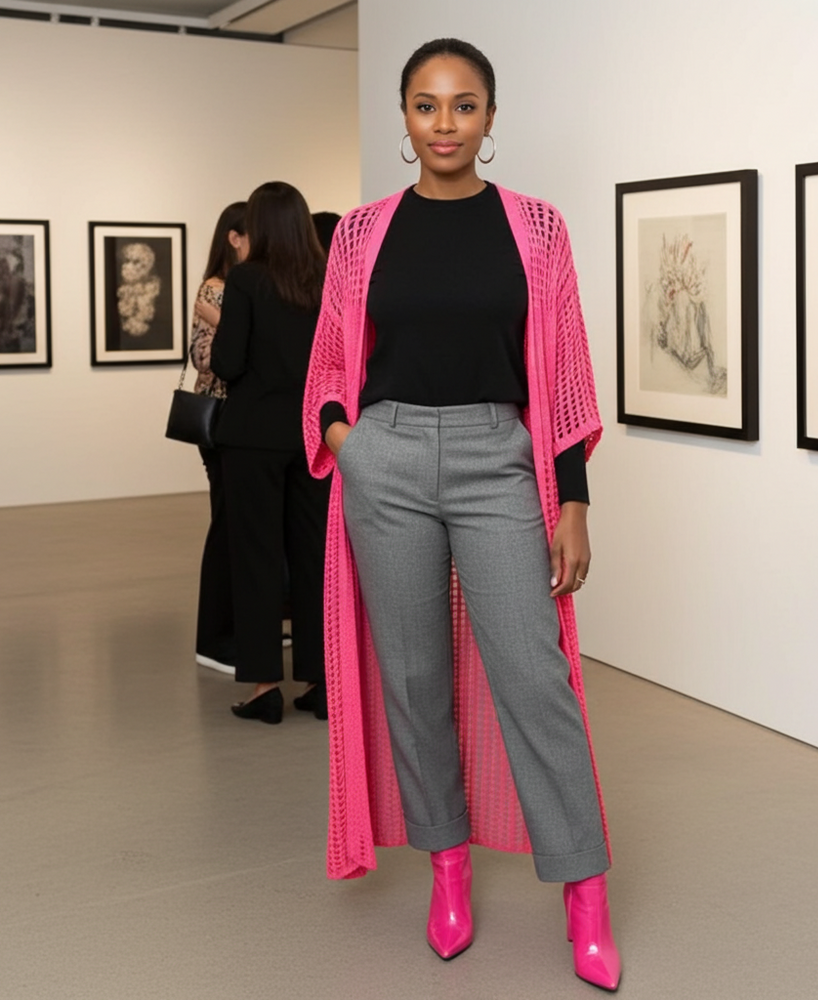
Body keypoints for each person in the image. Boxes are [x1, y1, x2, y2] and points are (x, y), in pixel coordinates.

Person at [303, 38, 620, 991]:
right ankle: (447, 871)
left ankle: (586, 895)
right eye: (427, 106)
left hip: (499, 459)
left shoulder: (538, 228)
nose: (445, 123)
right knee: (412, 676)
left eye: (464, 105)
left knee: (535, 675)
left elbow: (559, 370)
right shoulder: (359, 234)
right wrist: (347, 439)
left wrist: (570, 499)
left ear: (490, 116)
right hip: (387, 460)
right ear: (403, 118)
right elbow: (329, 360)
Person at [212, 182, 331, 724]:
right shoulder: (324, 279)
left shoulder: (247, 279)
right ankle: (318, 681)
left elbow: (228, 362)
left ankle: (264, 687)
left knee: (256, 558)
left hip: (252, 437)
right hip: (312, 437)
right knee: (313, 558)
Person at [190, 201, 248, 676]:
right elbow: (205, 358)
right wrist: (231, 323)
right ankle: (215, 638)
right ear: (234, 237)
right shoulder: (215, 288)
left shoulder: (242, 290)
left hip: (242, 420)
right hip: (221, 417)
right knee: (226, 523)